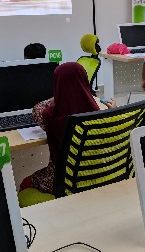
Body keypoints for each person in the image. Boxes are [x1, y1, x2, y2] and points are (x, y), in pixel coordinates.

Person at [20, 62, 116, 195]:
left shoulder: (50, 116)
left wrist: (58, 96)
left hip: (63, 181)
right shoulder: (99, 114)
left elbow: (37, 108)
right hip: (95, 176)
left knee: (25, 182)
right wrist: (113, 111)